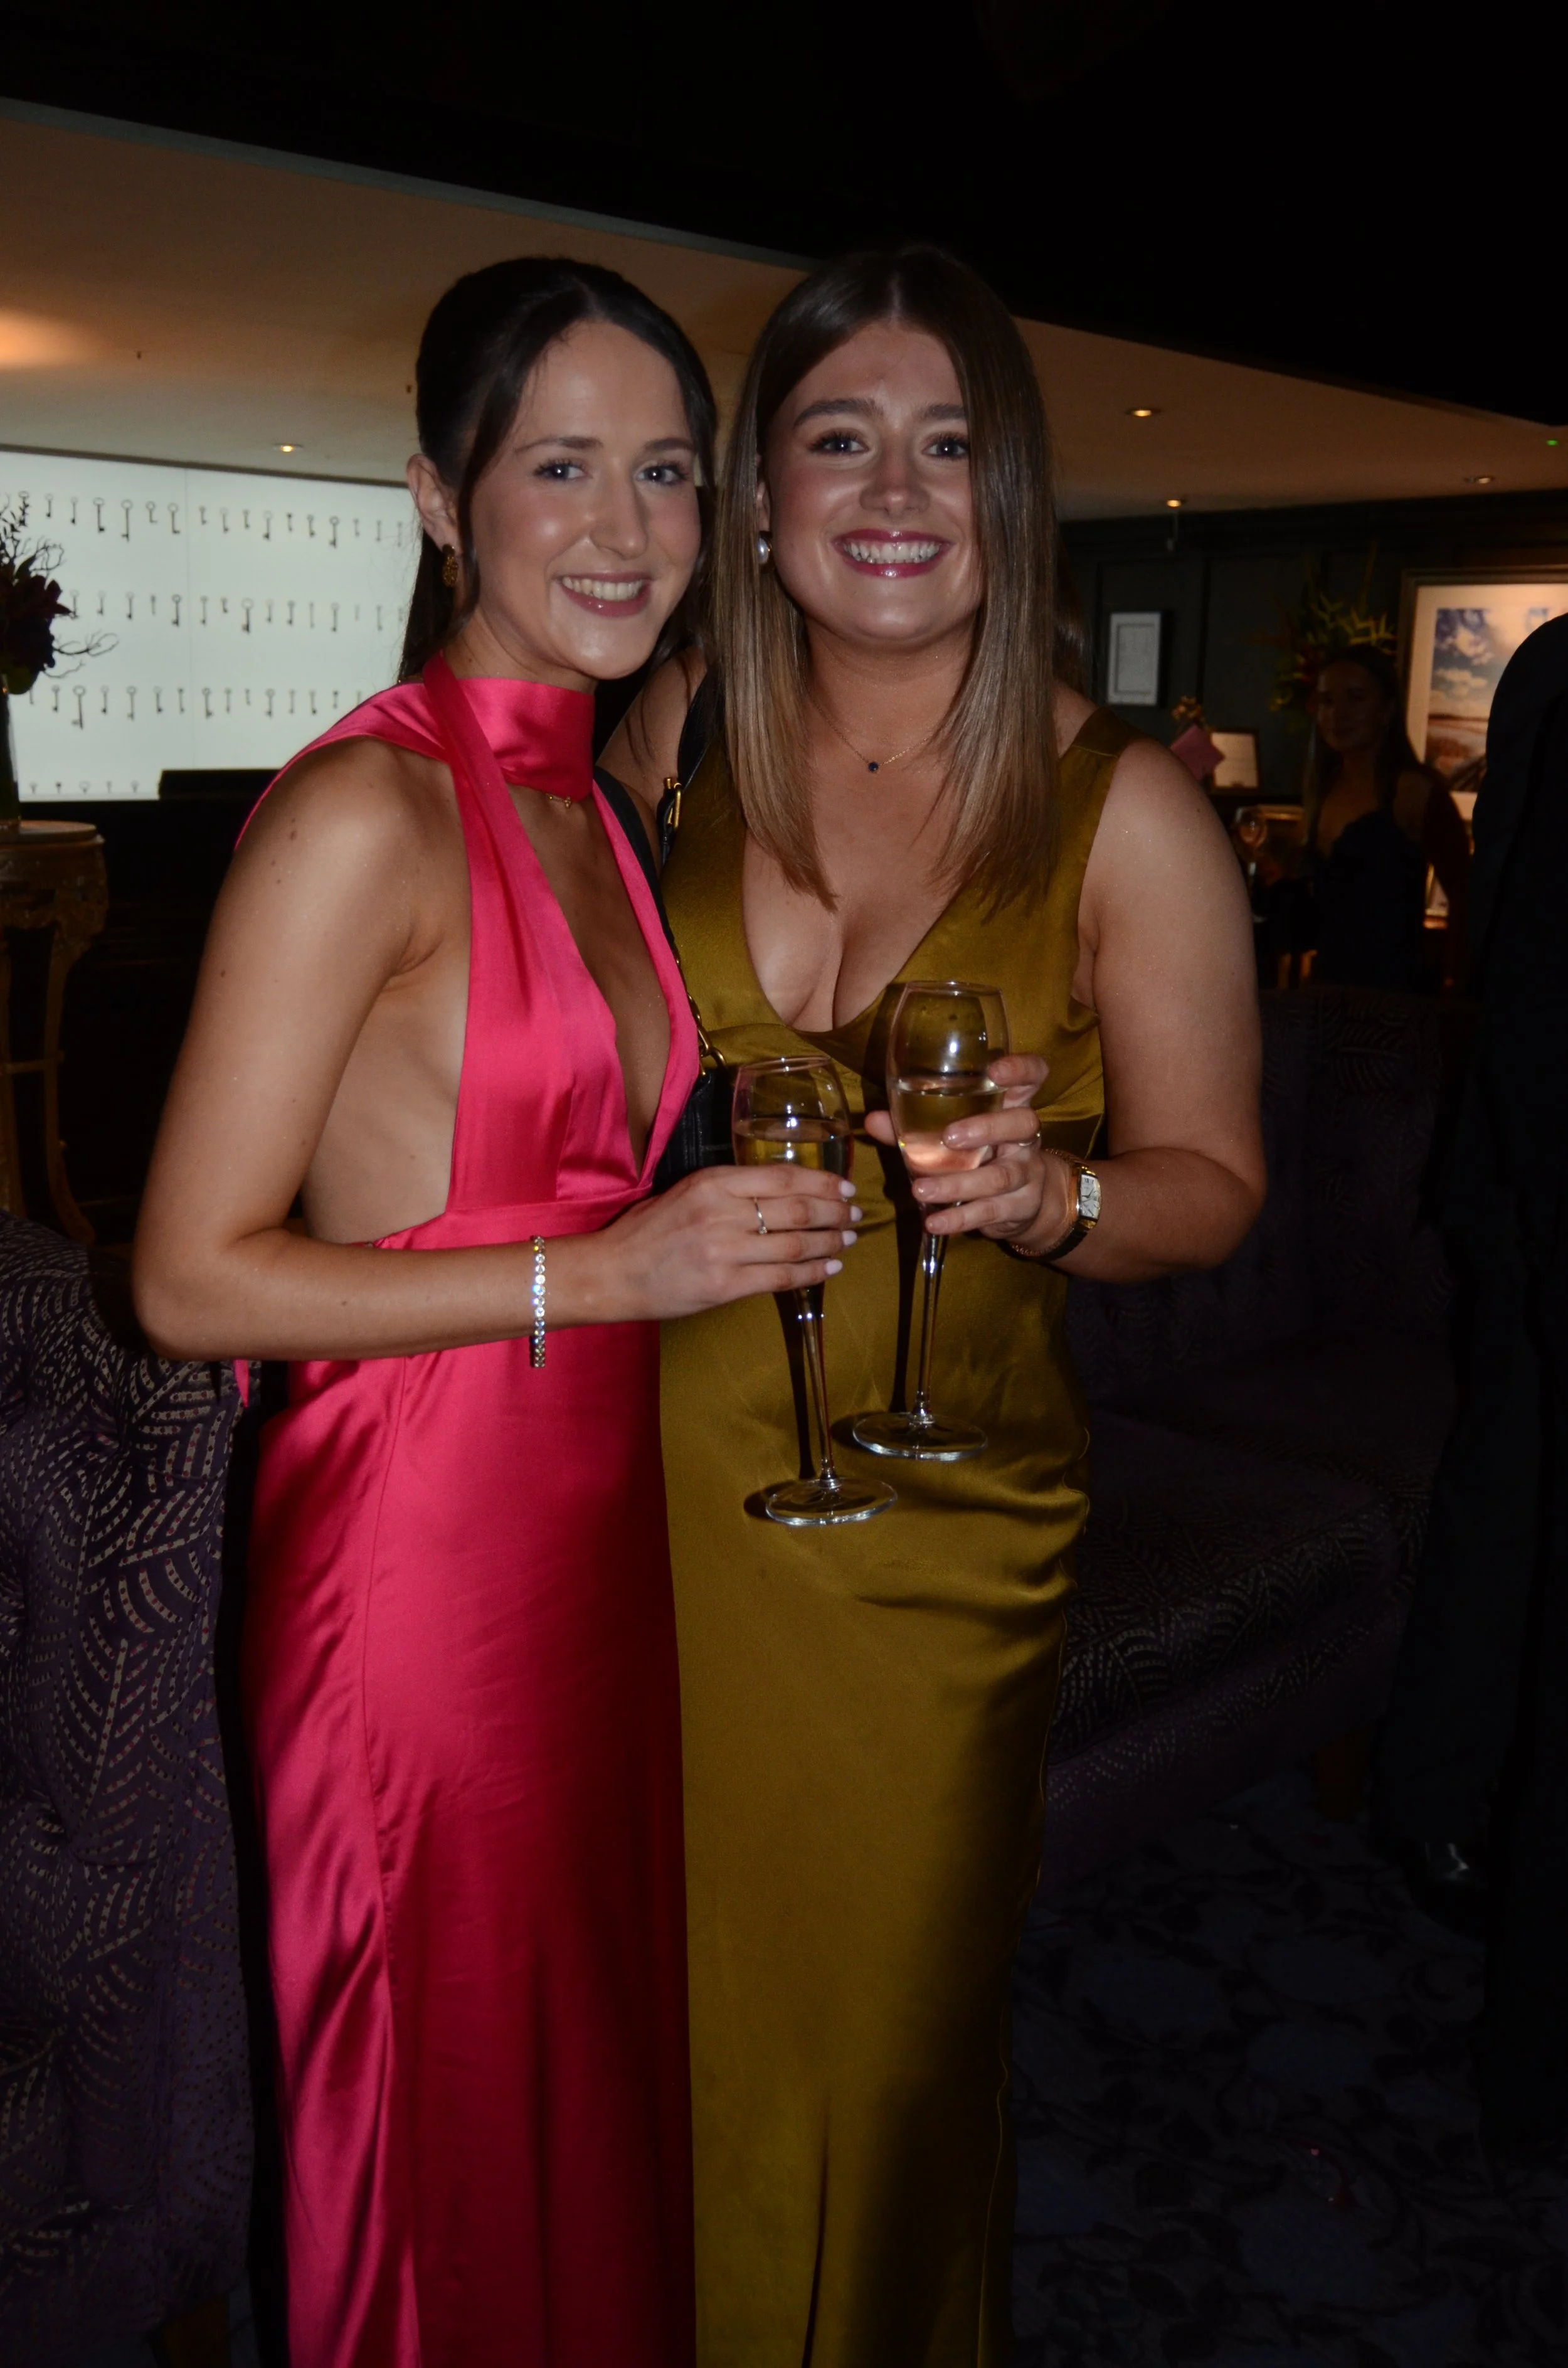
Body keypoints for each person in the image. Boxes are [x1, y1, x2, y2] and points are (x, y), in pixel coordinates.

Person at [132, 258, 860, 2368]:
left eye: (665, 471)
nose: (626, 526)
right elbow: (186, 1273)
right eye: (562, 467)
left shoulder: (593, 803)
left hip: (583, 1555)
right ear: (442, 497)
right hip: (409, 1578)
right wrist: (607, 1270)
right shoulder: (359, 813)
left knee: (570, 2091)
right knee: (433, 2146)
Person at [602, 243, 1265, 2368]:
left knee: (882, 2066)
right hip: (639, 1497)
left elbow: (1213, 1184)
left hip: (935, 1533)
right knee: (650, 2034)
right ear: (762, 496)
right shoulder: (681, 730)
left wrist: (1060, 1196)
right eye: (840, 436)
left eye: (950, 442)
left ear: (1013, 494)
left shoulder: (1124, 807)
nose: (895, 489)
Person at [1374, 610, 1568, 2157]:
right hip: (1530, 1194)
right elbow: (1527, 961)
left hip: (1516, 1182)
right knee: (1502, 1515)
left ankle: (1444, 1807)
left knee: (1502, 1513)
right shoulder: (1561, 670)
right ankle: (1439, 1811)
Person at [1306, 644, 1470, 989]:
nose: (1338, 713)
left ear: (1387, 710)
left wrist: (1456, 987)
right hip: (1327, 991)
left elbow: (1466, 895)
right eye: (1327, 701)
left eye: (1355, 699)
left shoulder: (1413, 791)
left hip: (1392, 995)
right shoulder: (1322, 788)